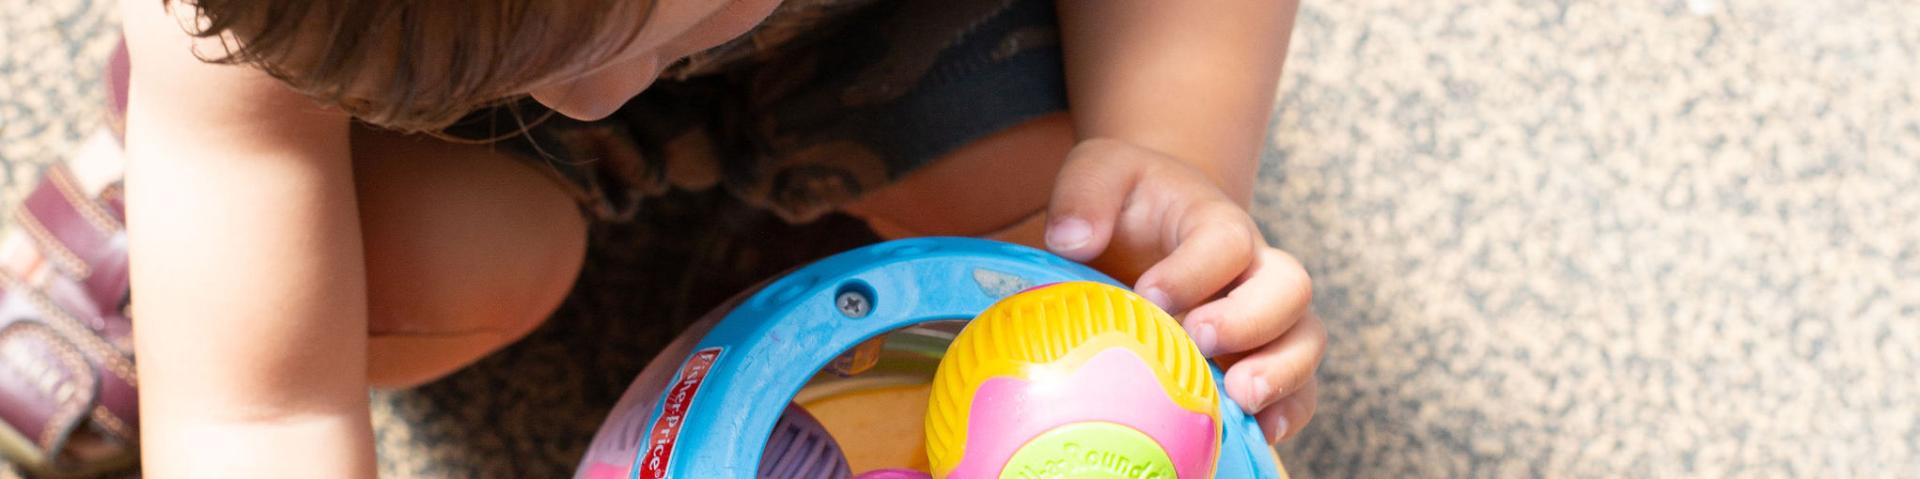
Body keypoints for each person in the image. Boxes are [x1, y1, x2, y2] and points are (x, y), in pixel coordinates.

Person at [115, 0, 1324, 475]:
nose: (598, 99)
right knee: (308, 254)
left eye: (623, 52)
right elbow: (256, 414)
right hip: (441, 66)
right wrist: (229, 353)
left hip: (868, 30)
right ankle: (164, 243)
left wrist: (1169, 152)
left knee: (1075, 241)